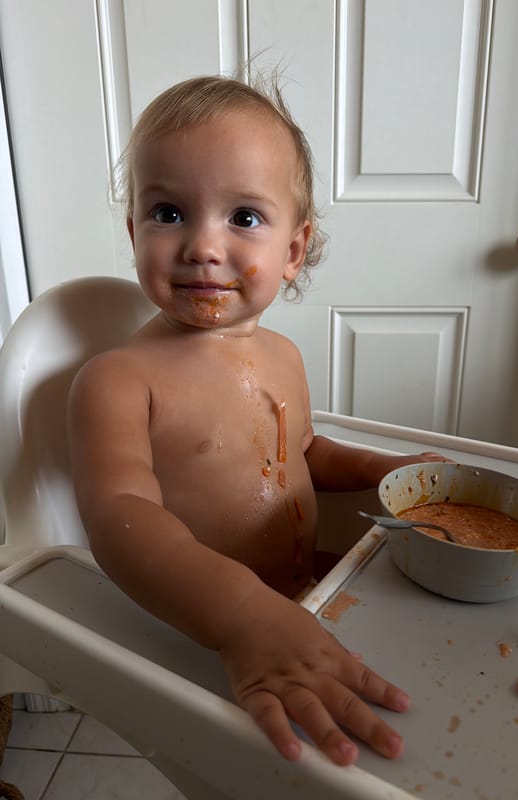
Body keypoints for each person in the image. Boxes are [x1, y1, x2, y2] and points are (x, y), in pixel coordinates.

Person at [68, 75, 447, 767]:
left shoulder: (282, 355)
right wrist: (240, 615)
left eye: (243, 217)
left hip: (302, 598)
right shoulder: (118, 380)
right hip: (204, 629)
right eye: (169, 212)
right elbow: (119, 518)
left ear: (293, 251)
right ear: (133, 231)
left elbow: (301, 453)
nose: (203, 246)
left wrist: (385, 473)